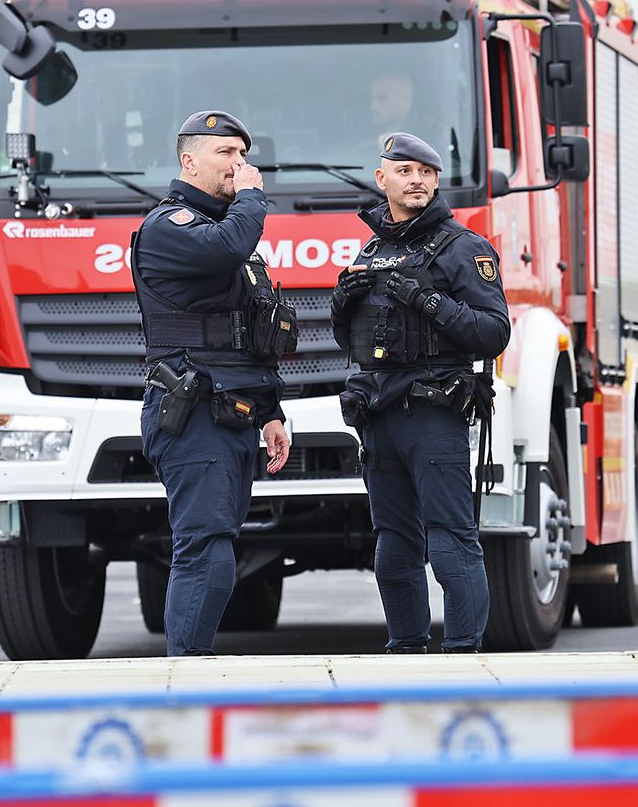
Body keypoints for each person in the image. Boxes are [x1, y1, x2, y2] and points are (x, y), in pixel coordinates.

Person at [331, 132, 511, 653]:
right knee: (393, 546)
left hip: (434, 414)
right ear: (381, 177)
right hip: (379, 416)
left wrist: (430, 302)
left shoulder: (464, 248)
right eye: (405, 171)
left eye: (426, 173)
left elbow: (494, 333)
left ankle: (461, 654)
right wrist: (344, 305)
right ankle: (406, 648)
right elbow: (357, 342)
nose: (416, 181)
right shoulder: (372, 248)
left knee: (451, 540)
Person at [130, 110, 294, 656]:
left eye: (244, 156)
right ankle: (186, 676)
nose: (240, 166)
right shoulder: (168, 227)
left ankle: (192, 666)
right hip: (194, 411)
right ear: (189, 160)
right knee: (206, 549)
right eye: (227, 154)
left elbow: (251, 334)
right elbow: (226, 246)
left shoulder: (228, 232)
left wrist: (272, 411)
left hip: (236, 411)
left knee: (218, 545)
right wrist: (252, 200)